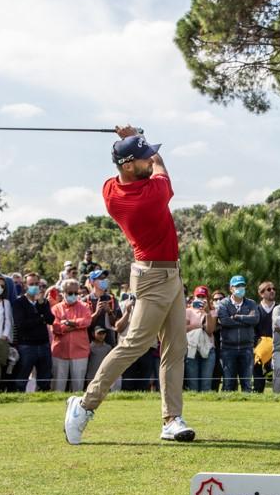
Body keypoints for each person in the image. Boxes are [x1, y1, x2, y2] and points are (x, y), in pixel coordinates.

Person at [64, 126, 195, 445]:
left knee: (176, 345)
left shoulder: (110, 189)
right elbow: (162, 166)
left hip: (169, 274)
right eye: (144, 156)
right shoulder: (150, 196)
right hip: (154, 275)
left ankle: (171, 419)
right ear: (128, 166)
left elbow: (144, 162)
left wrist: (132, 140)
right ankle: (84, 405)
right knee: (134, 344)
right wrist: (137, 135)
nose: (150, 158)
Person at [11, 272, 54, 392]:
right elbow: (22, 325)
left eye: (36, 284)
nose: (34, 286)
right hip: (26, 346)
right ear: (25, 285)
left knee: (45, 380)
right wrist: (40, 318)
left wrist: (41, 306)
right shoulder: (19, 303)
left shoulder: (43, 302)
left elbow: (50, 319)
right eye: (31, 284)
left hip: (44, 345)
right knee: (21, 380)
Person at [217, 275, 258, 392]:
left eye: (242, 285)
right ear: (231, 288)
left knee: (247, 384)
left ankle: (248, 407)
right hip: (228, 348)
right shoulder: (223, 304)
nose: (241, 288)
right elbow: (225, 321)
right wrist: (246, 320)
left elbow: (255, 319)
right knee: (228, 383)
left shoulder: (251, 303)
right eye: (237, 286)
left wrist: (236, 317)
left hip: (247, 348)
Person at [51, 279, 92, 392]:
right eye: (70, 293)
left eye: (76, 293)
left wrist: (71, 323)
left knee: (78, 387)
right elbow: (56, 327)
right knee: (58, 387)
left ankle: (77, 409)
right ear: (63, 293)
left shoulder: (84, 306)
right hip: (60, 351)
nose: (73, 295)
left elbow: (87, 321)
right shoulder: (56, 309)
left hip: (80, 352)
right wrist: (75, 325)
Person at [253, 281, 277, 394]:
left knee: (277, 378)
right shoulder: (255, 309)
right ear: (261, 293)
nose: (272, 291)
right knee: (258, 377)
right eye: (268, 289)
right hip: (259, 349)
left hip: (277, 348)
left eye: (273, 289)